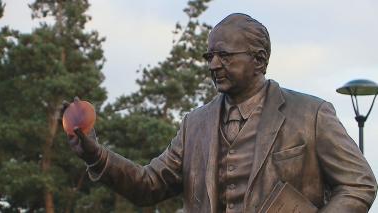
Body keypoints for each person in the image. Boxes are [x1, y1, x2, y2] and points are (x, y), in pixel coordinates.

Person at [67, 13, 377, 212]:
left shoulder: (310, 115)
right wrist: (97, 157)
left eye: (224, 55)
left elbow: (360, 183)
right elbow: (149, 185)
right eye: (210, 55)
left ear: (259, 60)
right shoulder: (195, 125)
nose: (214, 64)